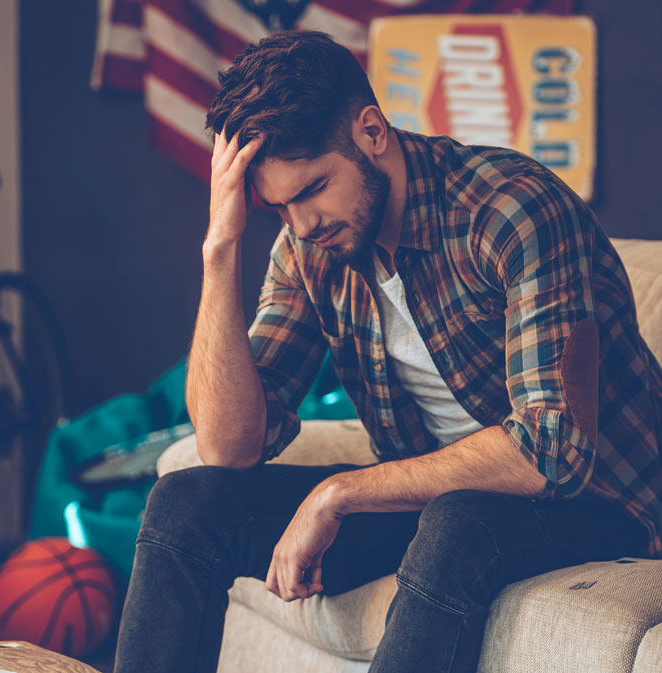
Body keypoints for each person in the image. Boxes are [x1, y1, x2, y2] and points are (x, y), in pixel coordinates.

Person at [114, 31, 662, 673]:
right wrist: (220, 250)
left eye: (315, 187)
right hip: (436, 514)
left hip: (597, 507)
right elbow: (230, 445)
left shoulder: (510, 209)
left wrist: (340, 493)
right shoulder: (308, 249)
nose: (303, 224)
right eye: (280, 205)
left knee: (457, 522)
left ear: (372, 132)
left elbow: (551, 451)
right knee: (185, 503)